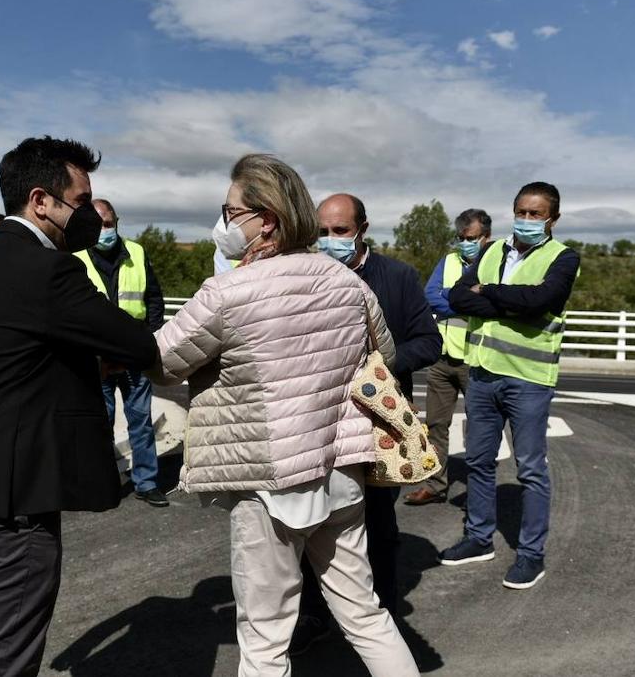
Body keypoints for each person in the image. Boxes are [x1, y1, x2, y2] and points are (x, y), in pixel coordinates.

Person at [149, 154, 420, 677]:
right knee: (365, 614)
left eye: (231, 212)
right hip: (343, 473)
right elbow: (381, 352)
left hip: (268, 485)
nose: (225, 223)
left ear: (265, 219)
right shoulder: (347, 282)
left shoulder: (227, 292)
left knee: (265, 639)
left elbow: (162, 364)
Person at [0, 136, 158, 676]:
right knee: (5, 661)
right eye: (82, 200)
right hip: (13, 502)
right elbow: (138, 344)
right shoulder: (48, 271)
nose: (91, 216)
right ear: (41, 201)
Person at [290, 193, 440, 652]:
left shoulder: (396, 277)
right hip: (318, 424)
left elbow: (428, 341)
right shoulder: (304, 276)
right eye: (321, 232)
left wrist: (380, 368)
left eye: (339, 231)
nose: (330, 240)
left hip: (379, 426)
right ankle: (312, 613)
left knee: (377, 525)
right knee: (309, 519)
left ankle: (385, 619)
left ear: (362, 228)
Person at [437, 182, 579, 591]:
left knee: (530, 469)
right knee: (479, 461)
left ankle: (531, 555)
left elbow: (542, 301)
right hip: (481, 373)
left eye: (536, 214)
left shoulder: (563, 258)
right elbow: (459, 297)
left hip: (528, 379)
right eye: (522, 211)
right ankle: (479, 538)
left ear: (553, 218)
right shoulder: (492, 250)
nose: (527, 219)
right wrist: (508, 300)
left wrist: (492, 294)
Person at [73, 199, 169, 507]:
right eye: (98, 224)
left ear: (117, 222)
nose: (105, 230)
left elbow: (154, 298)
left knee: (140, 421)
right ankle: (103, 484)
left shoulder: (137, 253)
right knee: (99, 423)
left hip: (132, 354)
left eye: (109, 223)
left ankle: (146, 482)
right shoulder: (74, 258)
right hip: (95, 357)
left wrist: (151, 339)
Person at [406, 208, 493, 507]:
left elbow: (494, 301)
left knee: (480, 427)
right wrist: (468, 300)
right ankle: (434, 485)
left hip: (476, 359)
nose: (464, 242)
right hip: (443, 358)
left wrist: (452, 299)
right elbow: (430, 296)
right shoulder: (449, 261)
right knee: (436, 425)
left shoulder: (495, 262)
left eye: (471, 238)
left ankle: (479, 494)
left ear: (486, 237)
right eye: (460, 237)